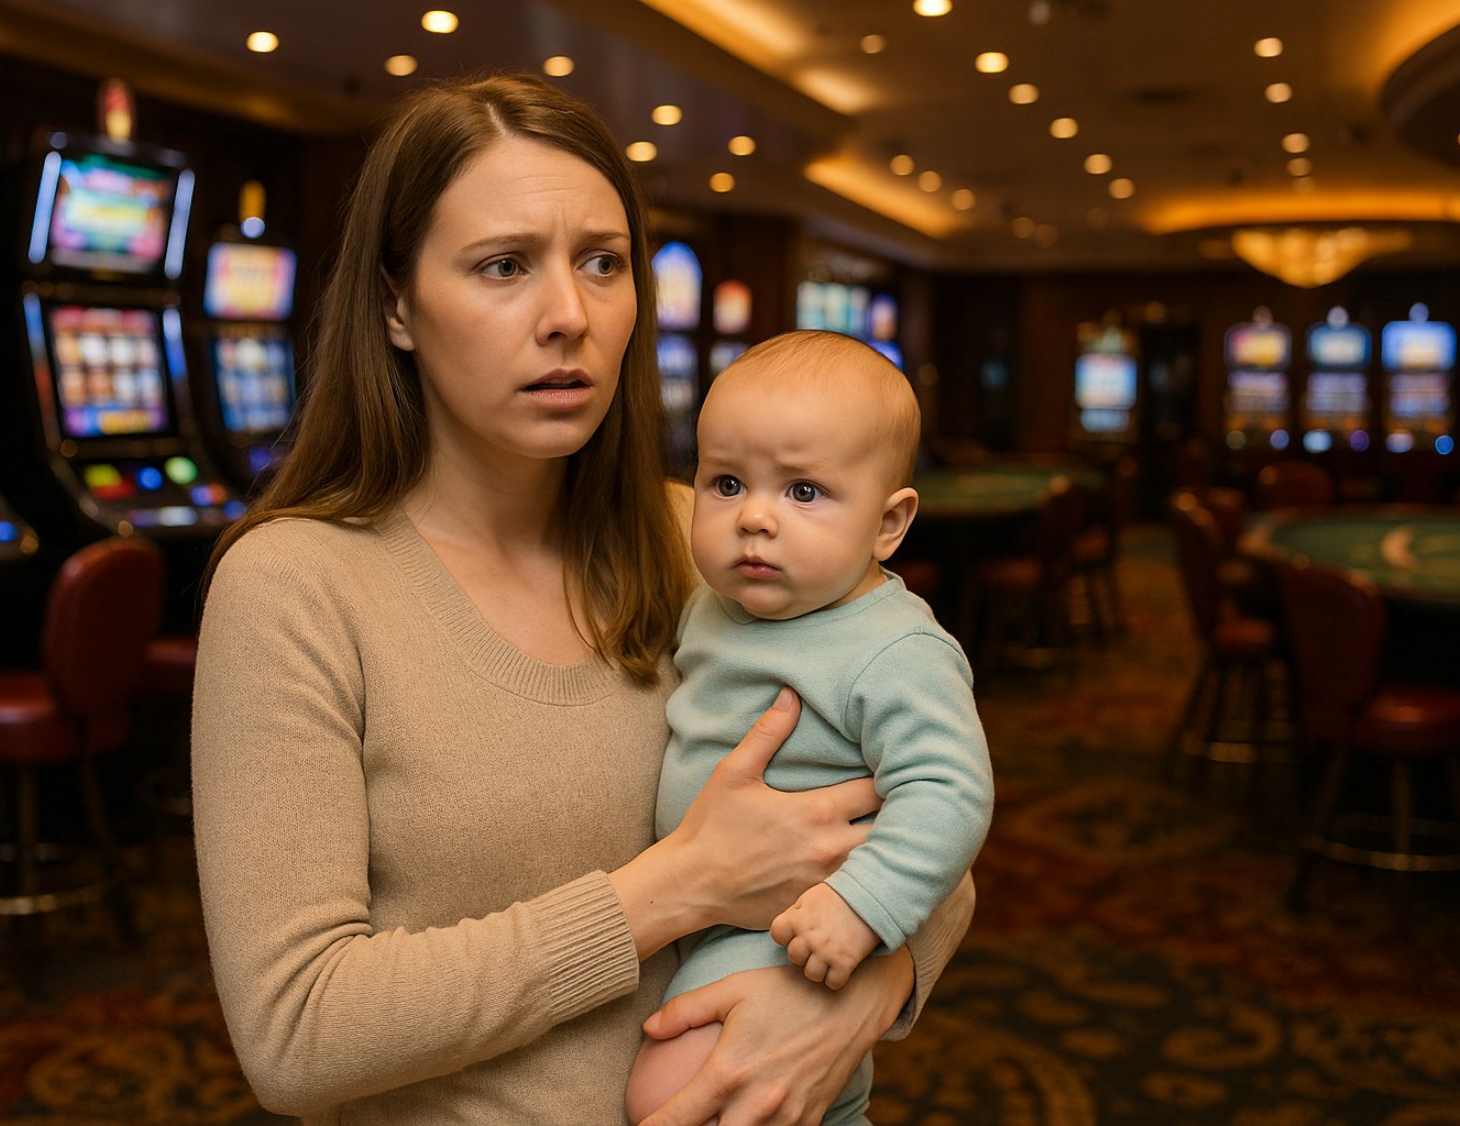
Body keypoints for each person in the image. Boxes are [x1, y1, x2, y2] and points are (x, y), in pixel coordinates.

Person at [192, 73, 976, 1126]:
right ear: (395, 305)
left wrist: (862, 995)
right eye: (504, 266)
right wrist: (676, 888)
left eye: (602, 263)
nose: (569, 315)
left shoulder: (711, 538)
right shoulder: (295, 585)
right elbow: (296, 1032)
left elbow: (934, 826)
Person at [625, 333, 993, 1124]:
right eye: (725, 483)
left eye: (802, 492)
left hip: (796, 923)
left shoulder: (894, 647)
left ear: (888, 523)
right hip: (705, 917)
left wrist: (861, 907)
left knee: (672, 1098)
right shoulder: (711, 604)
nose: (754, 517)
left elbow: (949, 791)